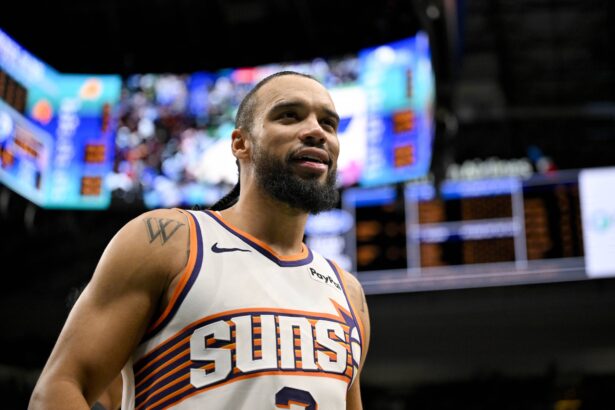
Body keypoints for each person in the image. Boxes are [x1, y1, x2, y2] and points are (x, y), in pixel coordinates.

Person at [29, 70, 370, 409]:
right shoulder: (168, 242)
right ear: (240, 143)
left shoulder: (348, 292)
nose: (315, 131)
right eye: (289, 116)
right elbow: (59, 388)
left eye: (329, 123)